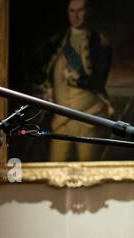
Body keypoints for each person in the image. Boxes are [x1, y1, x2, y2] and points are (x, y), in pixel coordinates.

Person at [36, 0, 115, 163]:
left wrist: (78, 79)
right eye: (72, 11)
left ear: (88, 12)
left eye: (80, 10)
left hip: (89, 116)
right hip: (61, 120)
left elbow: (99, 78)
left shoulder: (98, 41)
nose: (76, 15)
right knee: (54, 169)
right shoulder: (57, 42)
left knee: (89, 171)